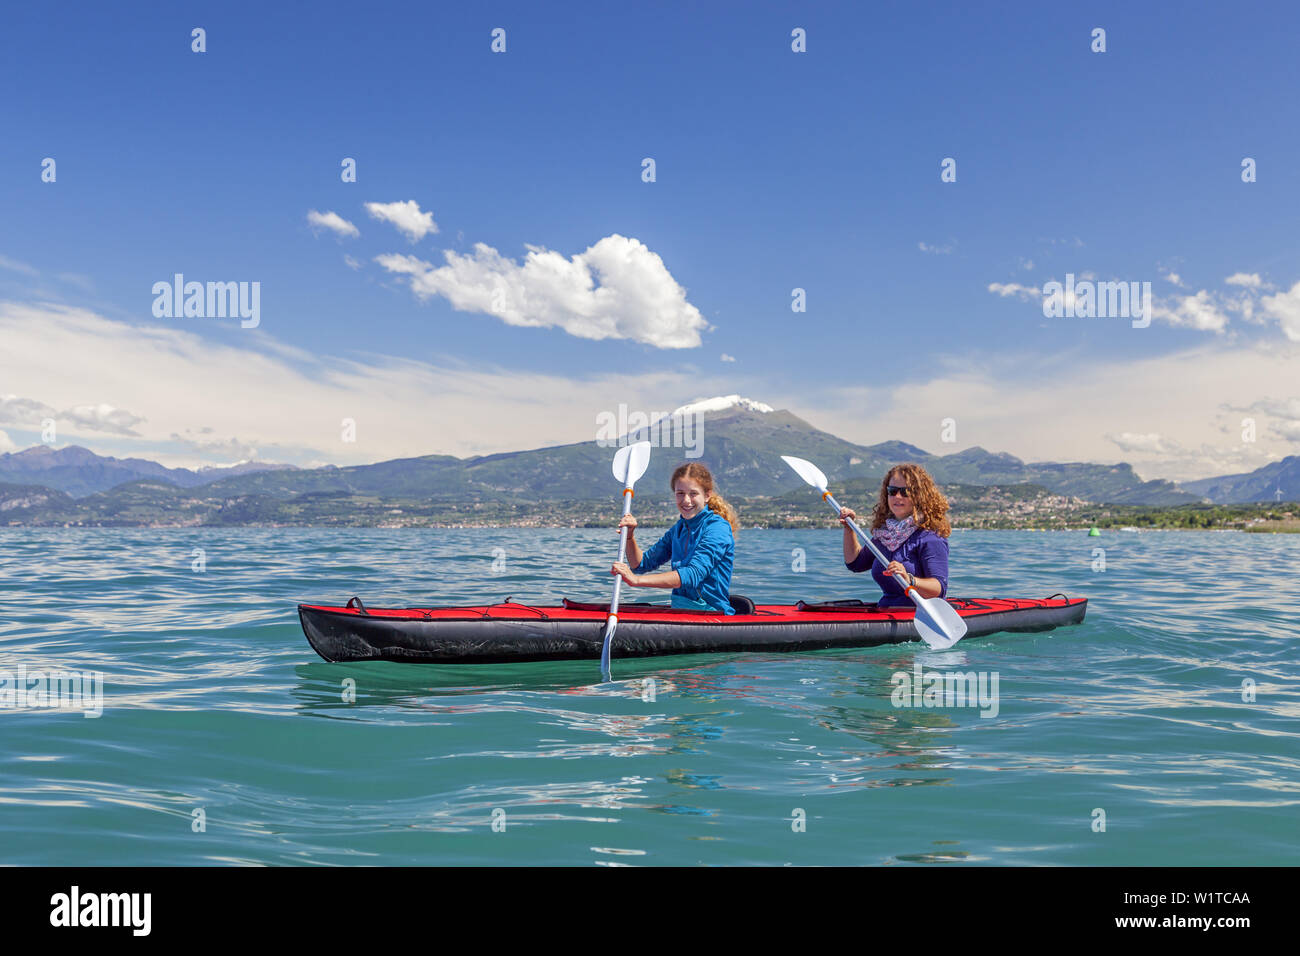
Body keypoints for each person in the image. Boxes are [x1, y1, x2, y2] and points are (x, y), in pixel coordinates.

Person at [610, 462, 739, 615]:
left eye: (693, 494)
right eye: (680, 493)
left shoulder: (718, 528)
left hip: (712, 614)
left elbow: (692, 575)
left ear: (707, 496)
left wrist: (636, 581)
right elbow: (640, 564)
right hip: (682, 610)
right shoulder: (678, 529)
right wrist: (630, 537)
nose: (686, 500)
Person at [840, 463, 950, 607]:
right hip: (886, 610)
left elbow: (939, 589)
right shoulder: (885, 536)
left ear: (919, 495)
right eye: (892, 491)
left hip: (920, 613)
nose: (897, 496)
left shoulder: (930, 538)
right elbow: (855, 564)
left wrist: (909, 579)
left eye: (905, 492)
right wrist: (849, 528)